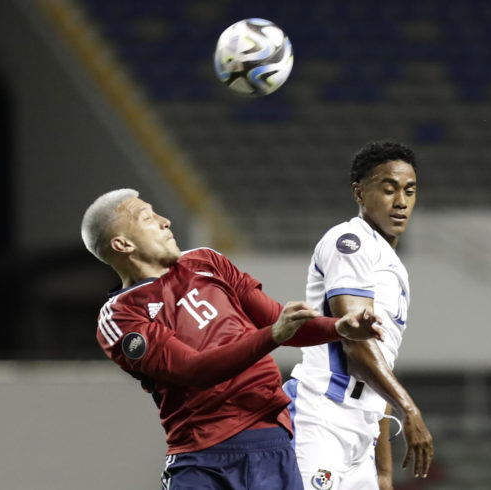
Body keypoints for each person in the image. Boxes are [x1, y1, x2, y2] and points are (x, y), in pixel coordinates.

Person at [80, 188, 384, 490]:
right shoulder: (120, 316)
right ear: (122, 244)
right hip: (204, 458)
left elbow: (281, 321)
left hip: (271, 442)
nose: (165, 221)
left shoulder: (207, 261)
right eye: (147, 217)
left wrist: (339, 327)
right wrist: (273, 335)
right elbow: (192, 369)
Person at [285, 141, 434, 490]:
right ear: (359, 192)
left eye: (409, 191)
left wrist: (382, 473)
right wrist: (409, 410)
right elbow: (355, 348)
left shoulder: (392, 265)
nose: (401, 202)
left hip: (362, 428)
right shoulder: (350, 241)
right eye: (389, 189)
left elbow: (379, 364)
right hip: (321, 418)